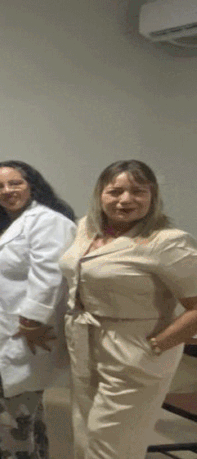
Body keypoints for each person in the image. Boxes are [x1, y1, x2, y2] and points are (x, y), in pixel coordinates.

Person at [59, 160, 197, 459]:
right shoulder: (87, 228)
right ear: (100, 194)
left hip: (135, 346)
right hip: (85, 341)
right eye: (115, 191)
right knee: (85, 433)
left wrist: (157, 345)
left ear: (152, 195)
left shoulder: (166, 241)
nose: (125, 200)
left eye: (138, 191)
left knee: (112, 442)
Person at [0, 161, 75, 458]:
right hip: (4, 329)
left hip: (25, 332)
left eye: (15, 183)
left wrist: (33, 321)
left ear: (32, 184)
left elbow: (50, 275)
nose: (7, 191)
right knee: (26, 414)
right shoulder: (9, 223)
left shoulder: (48, 221)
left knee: (9, 415)